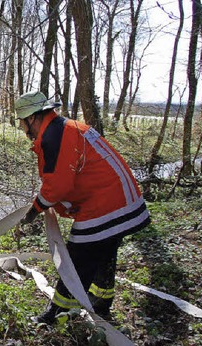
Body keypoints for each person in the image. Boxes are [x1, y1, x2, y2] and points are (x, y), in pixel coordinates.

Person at [14, 91, 151, 324]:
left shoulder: (54, 135)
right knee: (104, 249)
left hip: (108, 202)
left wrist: (35, 210)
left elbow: (58, 185)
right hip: (121, 199)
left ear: (32, 119)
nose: (23, 129)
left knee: (78, 256)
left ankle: (57, 314)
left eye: (22, 122)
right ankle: (101, 299)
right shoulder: (63, 128)